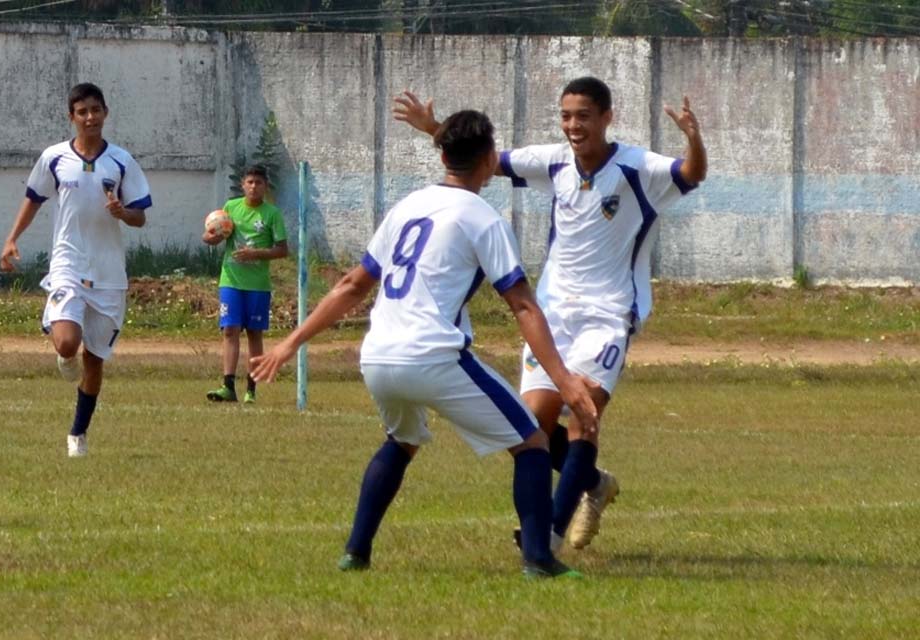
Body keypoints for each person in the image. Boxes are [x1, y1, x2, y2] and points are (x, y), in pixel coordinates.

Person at [251, 110, 599, 578]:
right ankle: (538, 559)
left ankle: (356, 552)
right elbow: (523, 306)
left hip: (377, 356)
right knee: (533, 443)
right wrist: (564, 381)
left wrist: (289, 343)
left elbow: (352, 286)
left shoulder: (408, 206)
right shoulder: (483, 217)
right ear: (490, 159)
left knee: (402, 440)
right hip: (432, 354)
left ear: (441, 156)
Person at [394, 76, 708, 550]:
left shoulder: (638, 168)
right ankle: (595, 484)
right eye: (566, 116)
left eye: (583, 115)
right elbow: (485, 161)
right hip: (554, 312)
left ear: (606, 117)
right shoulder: (553, 161)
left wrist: (693, 139)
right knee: (532, 426)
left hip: (609, 312)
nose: (573, 125)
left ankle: (551, 536)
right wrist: (434, 128)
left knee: (585, 412)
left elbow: (692, 174)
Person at [0, 82, 152, 458]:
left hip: (109, 273)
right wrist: (12, 238)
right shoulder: (54, 157)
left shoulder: (121, 161)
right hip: (68, 263)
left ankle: (78, 433)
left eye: (96, 110)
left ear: (105, 113)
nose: (90, 118)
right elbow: (34, 198)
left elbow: (140, 217)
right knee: (68, 343)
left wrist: (123, 212)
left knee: (95, 360)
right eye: (82, 112)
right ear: (72, 117)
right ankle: (63, 349)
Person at [202, 165, 288, 404]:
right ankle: (227, 386)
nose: (253, 186)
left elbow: (283, 250)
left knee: (254, 333)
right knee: (230, 330)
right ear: (243, 185)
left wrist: (256, 253)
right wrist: (214, 236)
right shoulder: (230, 208)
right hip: (231, 280)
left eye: (258, 183)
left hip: (257, 284)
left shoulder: (271, 214)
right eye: (250, 182)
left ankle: (252, 389)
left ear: (265, 187)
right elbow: (208, 236)